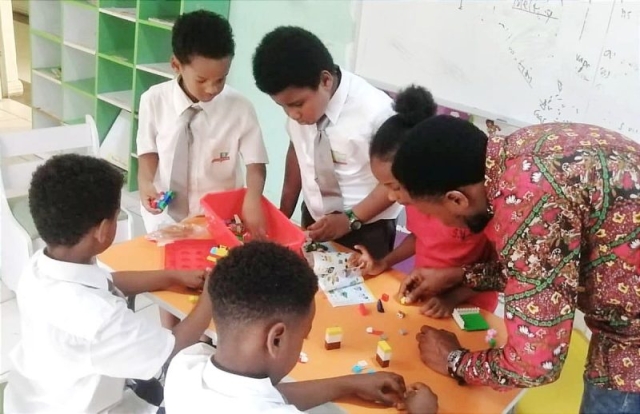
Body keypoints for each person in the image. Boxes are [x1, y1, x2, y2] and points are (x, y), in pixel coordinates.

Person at [391, 115, 640, 413]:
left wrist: (454, 360)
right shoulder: (520, 150)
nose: (440, 224)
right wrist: (461, 275)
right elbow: (544, 265)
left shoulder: (527, 204)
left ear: (457, 200)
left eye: (432, 215)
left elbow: (535, 363)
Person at [4, 154, 213, 413]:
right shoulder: (99, 317)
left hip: (36, 397)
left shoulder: (40, 266)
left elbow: (110, 281)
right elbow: (171, 349)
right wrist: (211, 295)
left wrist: (171, 275)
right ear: (103, 230)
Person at [165, 241, 437, 414]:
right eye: (303, 337)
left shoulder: (185, 364)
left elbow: (262, 398)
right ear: (276, 339)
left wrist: (347, 384)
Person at [252, 26, 402, 259]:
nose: (292, 114)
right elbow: (297, 150)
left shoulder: (377, 113)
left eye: (297, 104)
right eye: (283, 106)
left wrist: (350, 219)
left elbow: (397, 180)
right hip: (314, 217)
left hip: (367, 228)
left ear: (325, 80)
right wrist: (284, 213)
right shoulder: (301, 108)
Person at [350, 86, 498, 317]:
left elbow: (503, 269)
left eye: (396, 186)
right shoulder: (418, 203)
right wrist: (384, 262)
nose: (390, 197)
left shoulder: (477, 212)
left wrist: (452, 297)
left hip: (470, 305)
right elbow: (420, 237)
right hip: (427, 295)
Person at [137, 10, 268, 236]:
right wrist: (145, 182)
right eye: (202, 80)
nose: (212, 89)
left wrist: (253, 198)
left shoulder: (240, 107)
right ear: (176, 65)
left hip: (220, 219)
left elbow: (256, 164)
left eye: (221, 79)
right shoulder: (153, 100)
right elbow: (148, 151)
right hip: (165, 217)